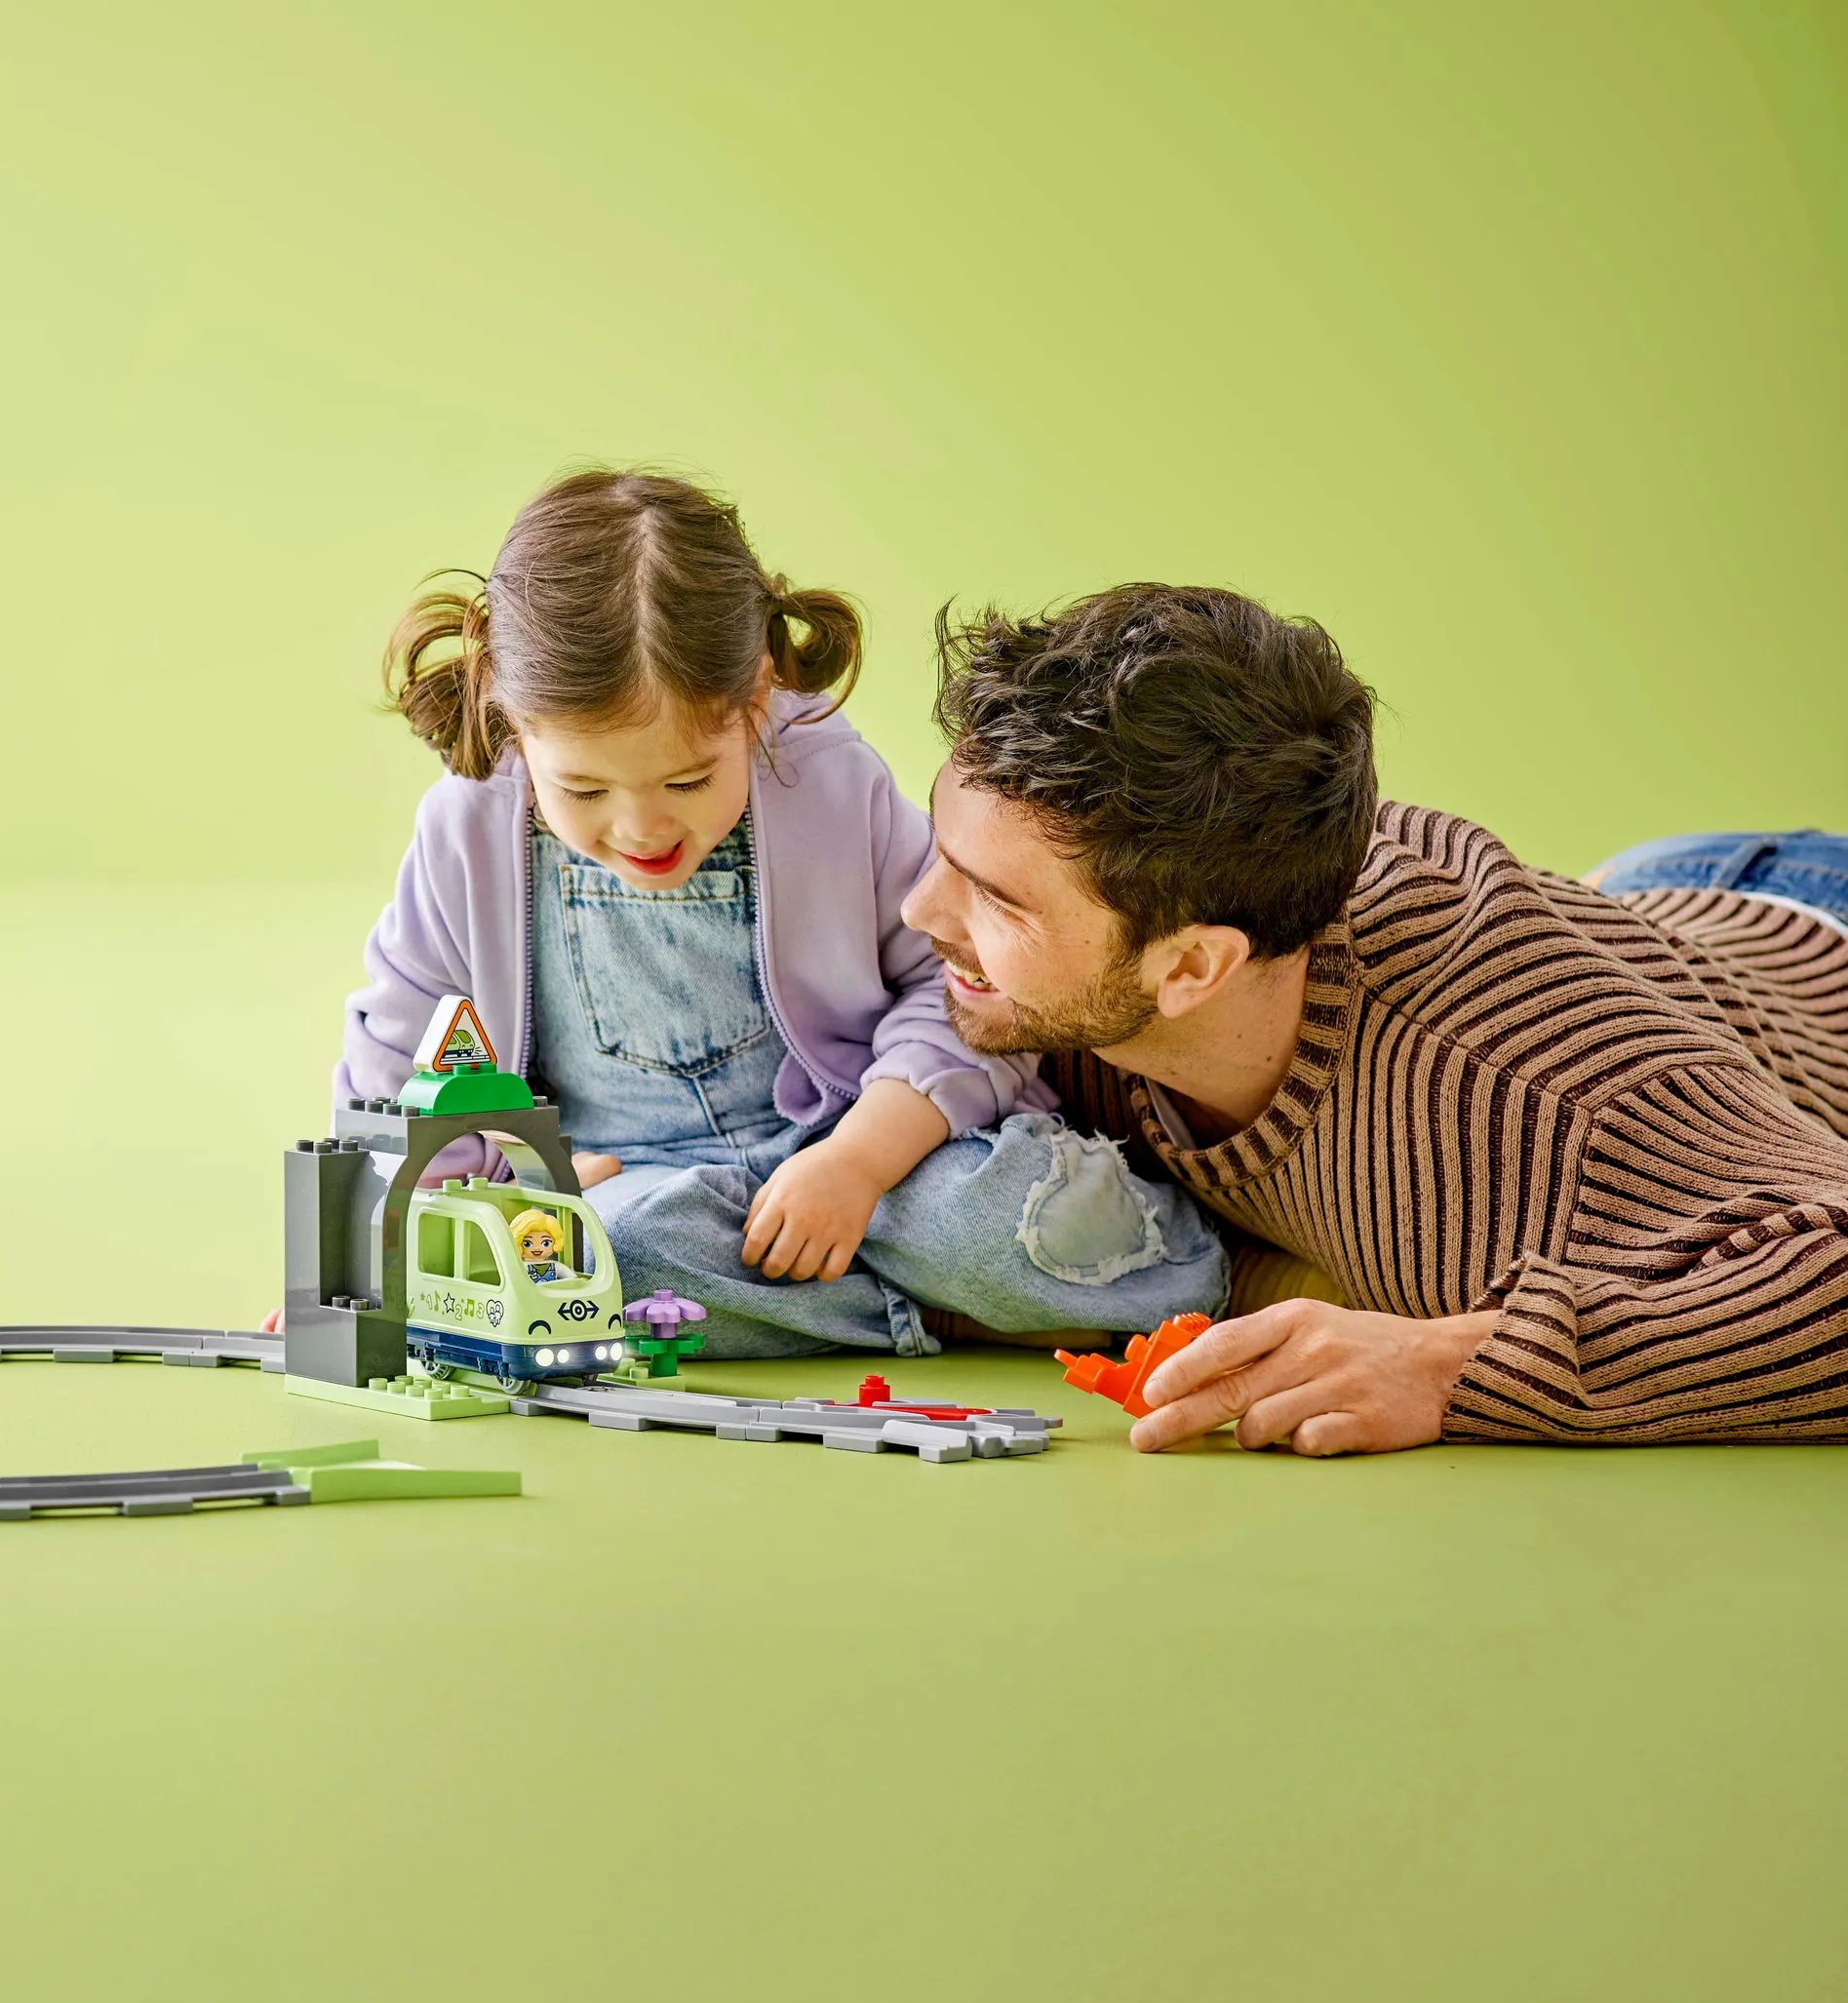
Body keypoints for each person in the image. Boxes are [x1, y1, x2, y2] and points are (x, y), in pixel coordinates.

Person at [904, 582, 1848, 1450]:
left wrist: (1449, 1364)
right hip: (1654, 905)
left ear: (1194, 964)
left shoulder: (1534, 1105)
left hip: (1809, 928)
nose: (918, 913)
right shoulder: (1083, 967)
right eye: (942, 850)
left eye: (996, 900)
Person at [337, 469, 1226, 1358]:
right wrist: (409, 1249)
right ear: (513, 721)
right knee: (593, 1262)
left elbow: (959, 992)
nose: (642, 826)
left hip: (868, 1154)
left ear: (756, 699)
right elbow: (402, 1061)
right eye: (583, 788)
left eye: (689, 780)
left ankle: (1184, 1277)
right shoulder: (468, 830)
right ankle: (943, 1313)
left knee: (993, 1221)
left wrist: (856, 1162)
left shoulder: (834, 786)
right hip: (632, 1188)